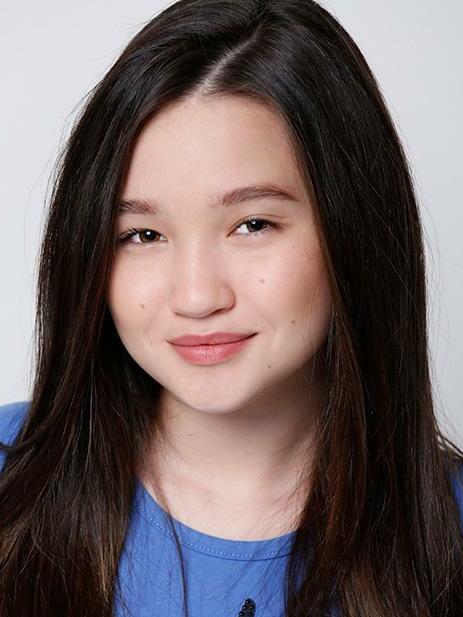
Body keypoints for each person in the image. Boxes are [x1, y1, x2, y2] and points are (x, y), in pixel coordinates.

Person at [0, 0, 462, 615]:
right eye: (143, 235)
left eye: (252, 224)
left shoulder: (450, 533)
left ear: (353, 229)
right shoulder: (10, 479)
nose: (196, 297)